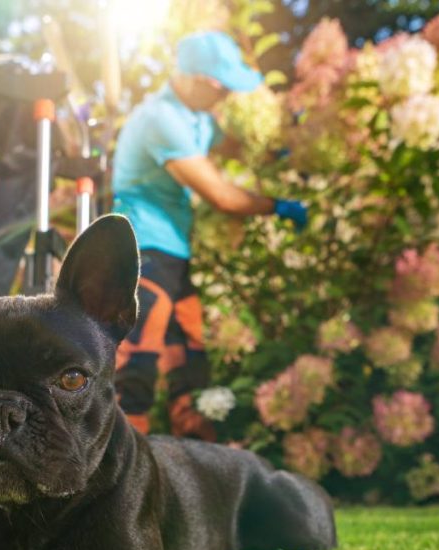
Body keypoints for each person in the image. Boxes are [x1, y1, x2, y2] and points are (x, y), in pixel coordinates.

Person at [112, 31, 307, 440]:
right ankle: (118, 469)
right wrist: (278, 205)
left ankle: (197, 464)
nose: (225, 98)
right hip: (143, 249)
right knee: (139, 360)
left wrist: (280, 149)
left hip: (173, 253)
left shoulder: (198, 118)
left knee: (189, 358)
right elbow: (221, 196)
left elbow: (232, 147)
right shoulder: (160, 120)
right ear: (196, 79)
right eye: (221, 88)